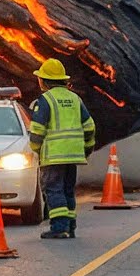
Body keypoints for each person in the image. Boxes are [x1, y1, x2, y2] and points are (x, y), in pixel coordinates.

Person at [28, 58, 96, 240]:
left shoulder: (45, 100)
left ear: (44, 81)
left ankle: (59, 228)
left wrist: (36, 149)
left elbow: (37, 130)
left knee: (53, 190)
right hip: (73, 155)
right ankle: (70, 226)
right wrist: (87, 148)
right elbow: (89, 126)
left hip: (53, 156)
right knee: (67, 190)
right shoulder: (75, 99)